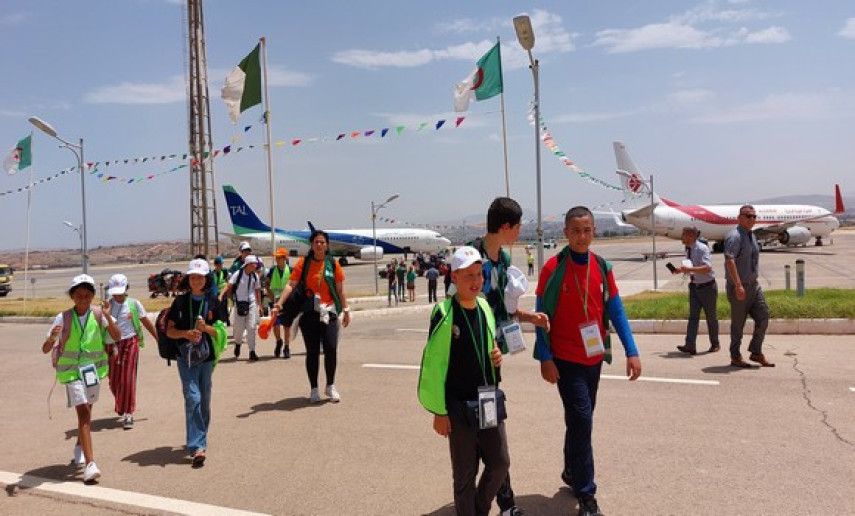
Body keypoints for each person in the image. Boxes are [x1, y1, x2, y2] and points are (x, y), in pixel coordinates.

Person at [534, 206, 642, 516]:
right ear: (566, 233)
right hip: (565, 359)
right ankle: (586, 495)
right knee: (582, 420)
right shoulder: (553, 269)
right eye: (576, 231)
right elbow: (542, 317)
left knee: (580, 421)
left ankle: (571, 471)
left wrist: (631, 350)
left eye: (588, 230)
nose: (582, 236)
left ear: (593, 231)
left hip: (593, 358)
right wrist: (545, 357)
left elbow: (617, 311)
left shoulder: (603, 267)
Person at [418, 246, 508, 516]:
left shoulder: (484, 306)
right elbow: (433, 364)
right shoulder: (444, 313)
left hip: (487, 399)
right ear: (454, 277)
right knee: (464, 474)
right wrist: (439, 411)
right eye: (468, 275)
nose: (475, 281)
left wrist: (496, 355)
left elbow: (489, 343)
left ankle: (479, 509)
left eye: (479, 274)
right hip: (458, 406)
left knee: (500, 463)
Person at [477, 197, 551, 516]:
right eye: (518, 226)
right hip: (472, 362)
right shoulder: (470, 259)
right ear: (506, 226)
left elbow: (502, 309)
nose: (520, 232)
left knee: (491, 428)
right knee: (487, 434)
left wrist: (529, 317)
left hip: (492, 362)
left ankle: (503, 501)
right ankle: (498, 501)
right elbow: (456, 313)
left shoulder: (504, 262)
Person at [41, 274, 120, 483]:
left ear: (93, 296)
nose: (83, 299)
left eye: (87, 295)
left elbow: (117, 336)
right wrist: (52, 338)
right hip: (72, 373)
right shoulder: (63, 318)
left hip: (92, 371)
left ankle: (79, 445)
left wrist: (108, 317)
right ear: (72, 297)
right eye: (79, 295)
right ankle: (91, 464)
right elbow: (45, 349)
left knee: (88, 411)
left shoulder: (98, 315)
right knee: (84, 412)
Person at [274, 230, 351, 402]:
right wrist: (279, 303)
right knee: (312, 352)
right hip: (309, 313)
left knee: (331, 348)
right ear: (312, 244)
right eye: (316, 242)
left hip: (329, 312)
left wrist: (345, 310)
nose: (319, 245)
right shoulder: (304, 263)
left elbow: (340, 290)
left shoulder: (333, 263)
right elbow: (291, 284)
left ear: (327, 245)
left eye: (322, 242)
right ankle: (314, 389)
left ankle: (330, 386)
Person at [165, 258, 224, 467]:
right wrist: (185, 333)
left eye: (200, 277)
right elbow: (169, 331)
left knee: (204, 399)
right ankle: (197, 445)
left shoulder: (214, 301)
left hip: (206, 358)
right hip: (186, 358)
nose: (196, 280)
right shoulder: (180, 302)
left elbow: (221, 331)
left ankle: (200, 437)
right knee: (193, 397)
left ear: (206, 279)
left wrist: (205, 328)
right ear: (188, 279)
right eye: (192, 277)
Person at [104, 274, 158, 430]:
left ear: (127, 288)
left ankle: (128, 413)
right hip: (112, 345)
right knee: (114, 381)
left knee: (127, 379)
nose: (117, 294)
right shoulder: (107, 305)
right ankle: (122, 403)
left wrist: (158, 339)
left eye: (120, 291)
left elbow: (146, 322)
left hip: (130, 343)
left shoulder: (134, 304)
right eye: (115, 291)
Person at [724, 205, 773, 368]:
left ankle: (756, 352)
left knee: (764, 316)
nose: (752, 219)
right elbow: (729, 260)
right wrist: (738, 285)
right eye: (748, 216)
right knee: (738, 325)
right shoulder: (735, 236)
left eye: (754, 216)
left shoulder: (751, 235)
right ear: (740, 218)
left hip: (753, 286)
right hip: (739, 287)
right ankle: (735, 356)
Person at [672, 227, 720, 355]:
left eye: (683, 235)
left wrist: (690, 269)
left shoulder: (702, 248)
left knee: (711, 317)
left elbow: (707, 268)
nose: (681, 237)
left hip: (707, 287)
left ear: (691, 236)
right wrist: (680, 270)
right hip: (694, 287)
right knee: (693, 317)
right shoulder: (687, 248)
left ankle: (715, 344)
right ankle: (690, 345)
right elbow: (691, 266)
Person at [220, 255, 262, 361]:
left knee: (252, 327)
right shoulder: (238, 274)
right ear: (248, 264)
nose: (256, 265)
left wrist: (259, 305)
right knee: (238, 329)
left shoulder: (255, 276)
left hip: (251, 304)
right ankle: (238, 344)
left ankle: (252, 351)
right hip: (239, 304)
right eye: (254, 263)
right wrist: (221, 295)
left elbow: (257, 290)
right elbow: (228, 286)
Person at [267, 248, 292, 358]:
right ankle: (278, 341)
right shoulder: (272, 270)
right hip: (275, 300)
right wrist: (271, 296)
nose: (277, 259)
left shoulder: (291, 269)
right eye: (276, 257)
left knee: (287, 325)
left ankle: (286, 347)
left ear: (285, 258)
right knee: (275, 324)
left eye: (279, 257)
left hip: (288, 301)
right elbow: (266, 284)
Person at [212, 256, 230, 324]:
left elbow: (227, 282)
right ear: (215, 265)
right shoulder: (212, 274)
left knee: (224, 308)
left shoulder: (224, 271)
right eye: (219, 264)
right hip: (216, 295)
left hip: (223, 294)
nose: (221, 266)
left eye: (221, 264)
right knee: (218, 310)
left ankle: (226, 320)